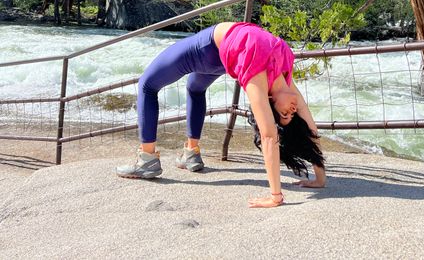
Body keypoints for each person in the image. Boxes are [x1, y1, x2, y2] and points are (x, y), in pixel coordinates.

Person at [116, 22, 326, 208]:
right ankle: (191, 154)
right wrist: (320, 177)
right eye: (292, 113)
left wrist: (275, 196)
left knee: (147, 84)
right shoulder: (284, 72)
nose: (292, 109)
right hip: (223, 53)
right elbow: (307, 122)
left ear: (271, 102)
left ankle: (147, 159)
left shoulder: (258, 78)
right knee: (194, 88)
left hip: (207, 49)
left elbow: (269, 135)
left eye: (284, 114)